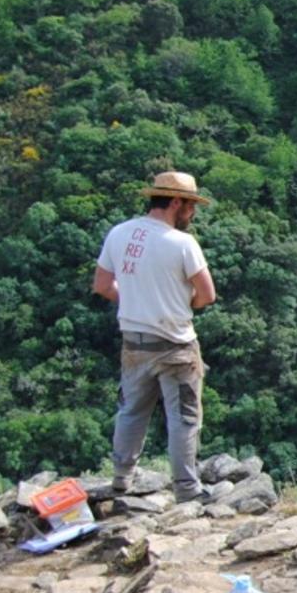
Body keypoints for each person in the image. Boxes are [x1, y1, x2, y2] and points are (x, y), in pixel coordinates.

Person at [92, 169, 218, 503]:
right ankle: (188, 491)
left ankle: (121, 480)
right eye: (190, 206)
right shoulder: (182, 244)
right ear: (176, 202)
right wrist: (177, 300)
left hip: (134, 342)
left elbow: (103, 286)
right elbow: (207, 295)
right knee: (184, 418)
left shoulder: (119, 234)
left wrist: (136, 298)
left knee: (132, 410)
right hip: (175, 345)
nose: (192, 213)